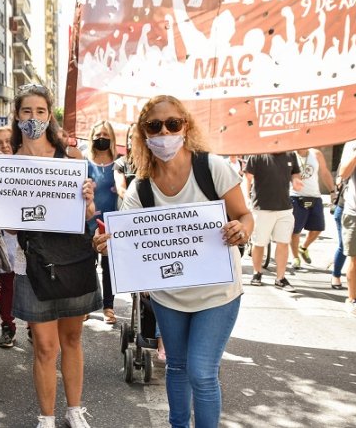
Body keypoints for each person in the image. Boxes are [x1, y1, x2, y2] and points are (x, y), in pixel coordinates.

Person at [95, 94, 253, 428]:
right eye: (154, 126)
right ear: (144, 134)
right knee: (178, 367)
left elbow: (244, 215)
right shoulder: (142, 189)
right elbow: (124, 239)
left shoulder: (213, 168)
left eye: (173, 124)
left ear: (186, 126)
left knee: (201, 371)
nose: (164, 132)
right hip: (170, 296)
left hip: (218, 293)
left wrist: (241, 229)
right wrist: (107, 245)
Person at [9, 84, 99, 428]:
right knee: (45, 346)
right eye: (27, 112)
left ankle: (75, 410)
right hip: (31, 261)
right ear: (17, 116)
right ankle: (46, 417)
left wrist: (88, 199)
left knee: (72, 339)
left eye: (40, 112)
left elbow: (88, 214)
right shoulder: (7, 165)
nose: (33, 118)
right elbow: (10, 229)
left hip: (71, 257)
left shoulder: (72, 160)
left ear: (50, 117)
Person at [244, 152, 302, 291]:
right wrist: (247, 198)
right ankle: (257, 273)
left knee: (283, 243)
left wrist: (296, 180)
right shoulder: (257, 155)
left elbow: (295, 173)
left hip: (285, 208)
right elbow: (248, 178)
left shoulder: (290, 154)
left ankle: (280, 278)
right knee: (259, 243)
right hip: (262, 208)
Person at [0, 126, 18, 348]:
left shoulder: (29, 167)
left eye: (9, 141)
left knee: (32, 283)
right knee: (6, 284)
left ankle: (33, 327)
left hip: (27, 237)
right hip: (2, 237)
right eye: (0, 143)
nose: (5, 146)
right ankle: (7, 325)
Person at [86, 121, 118, 324]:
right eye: (98, 134)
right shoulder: (85, 162)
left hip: (112, 222)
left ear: (112, 138)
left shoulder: (119, 163)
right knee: (88, 266)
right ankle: (87, 306)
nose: (102, 138)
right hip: (89, 222)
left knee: (109, 268)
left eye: (106, 134)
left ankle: (109, 307)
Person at [289, 148, 334, 269]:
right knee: (295, 230)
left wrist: (332, 191)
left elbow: (324, 172)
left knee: (318, 228)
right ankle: (295, 258)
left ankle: (303, 248)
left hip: (314, 196)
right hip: (295, 196)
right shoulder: (290, 153)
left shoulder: (316, 154)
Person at [338, 139, 356, 316]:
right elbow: (343, 173)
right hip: (354, 212)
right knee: (355, 258)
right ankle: (352, 299)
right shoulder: (352, 144)